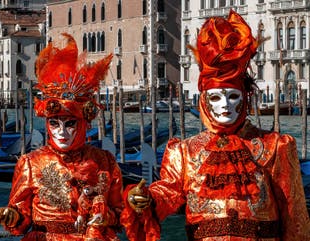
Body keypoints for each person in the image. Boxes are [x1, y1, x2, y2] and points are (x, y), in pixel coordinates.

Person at [120, 10, 310, 241]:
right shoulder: (185, 152)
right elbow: (168, 192)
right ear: (204, 100)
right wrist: (145, 199)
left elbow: (295, 219)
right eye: (216, 98)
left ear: (245, 98)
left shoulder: (274, 148)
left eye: (232, 97)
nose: (225, 106)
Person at [0, 33, 124, 241]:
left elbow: (120, 215)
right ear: (47, 124)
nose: (61, 132)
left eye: (70, 124)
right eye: (54, 124)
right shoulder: (30, 163)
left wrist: (104, 216)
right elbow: (21, 221)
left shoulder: (104, 161)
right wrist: (12, 217)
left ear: (83, 124)